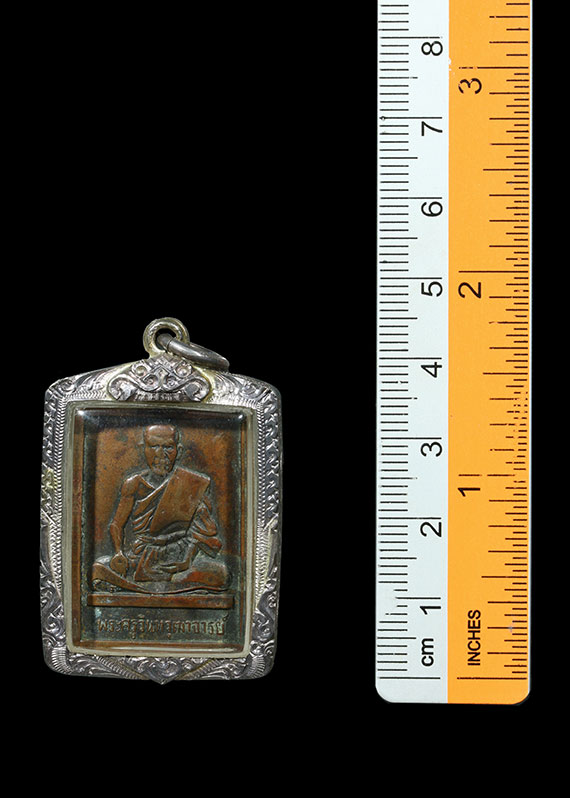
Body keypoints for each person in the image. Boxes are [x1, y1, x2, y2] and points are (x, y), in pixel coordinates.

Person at [92, 424, 229, 592]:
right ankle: (169, 585)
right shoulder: (133, 484)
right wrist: (118, 553)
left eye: (168, 447)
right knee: (98, 568)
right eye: (154, 446)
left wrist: (185, 560)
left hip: (180, 553)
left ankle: (151, 585)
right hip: (142, 554)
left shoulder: (193, 483)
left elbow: (201, 534)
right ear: (143, 449)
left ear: (178, 450)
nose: (160, 454)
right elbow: (116, 524)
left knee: (222, 574)